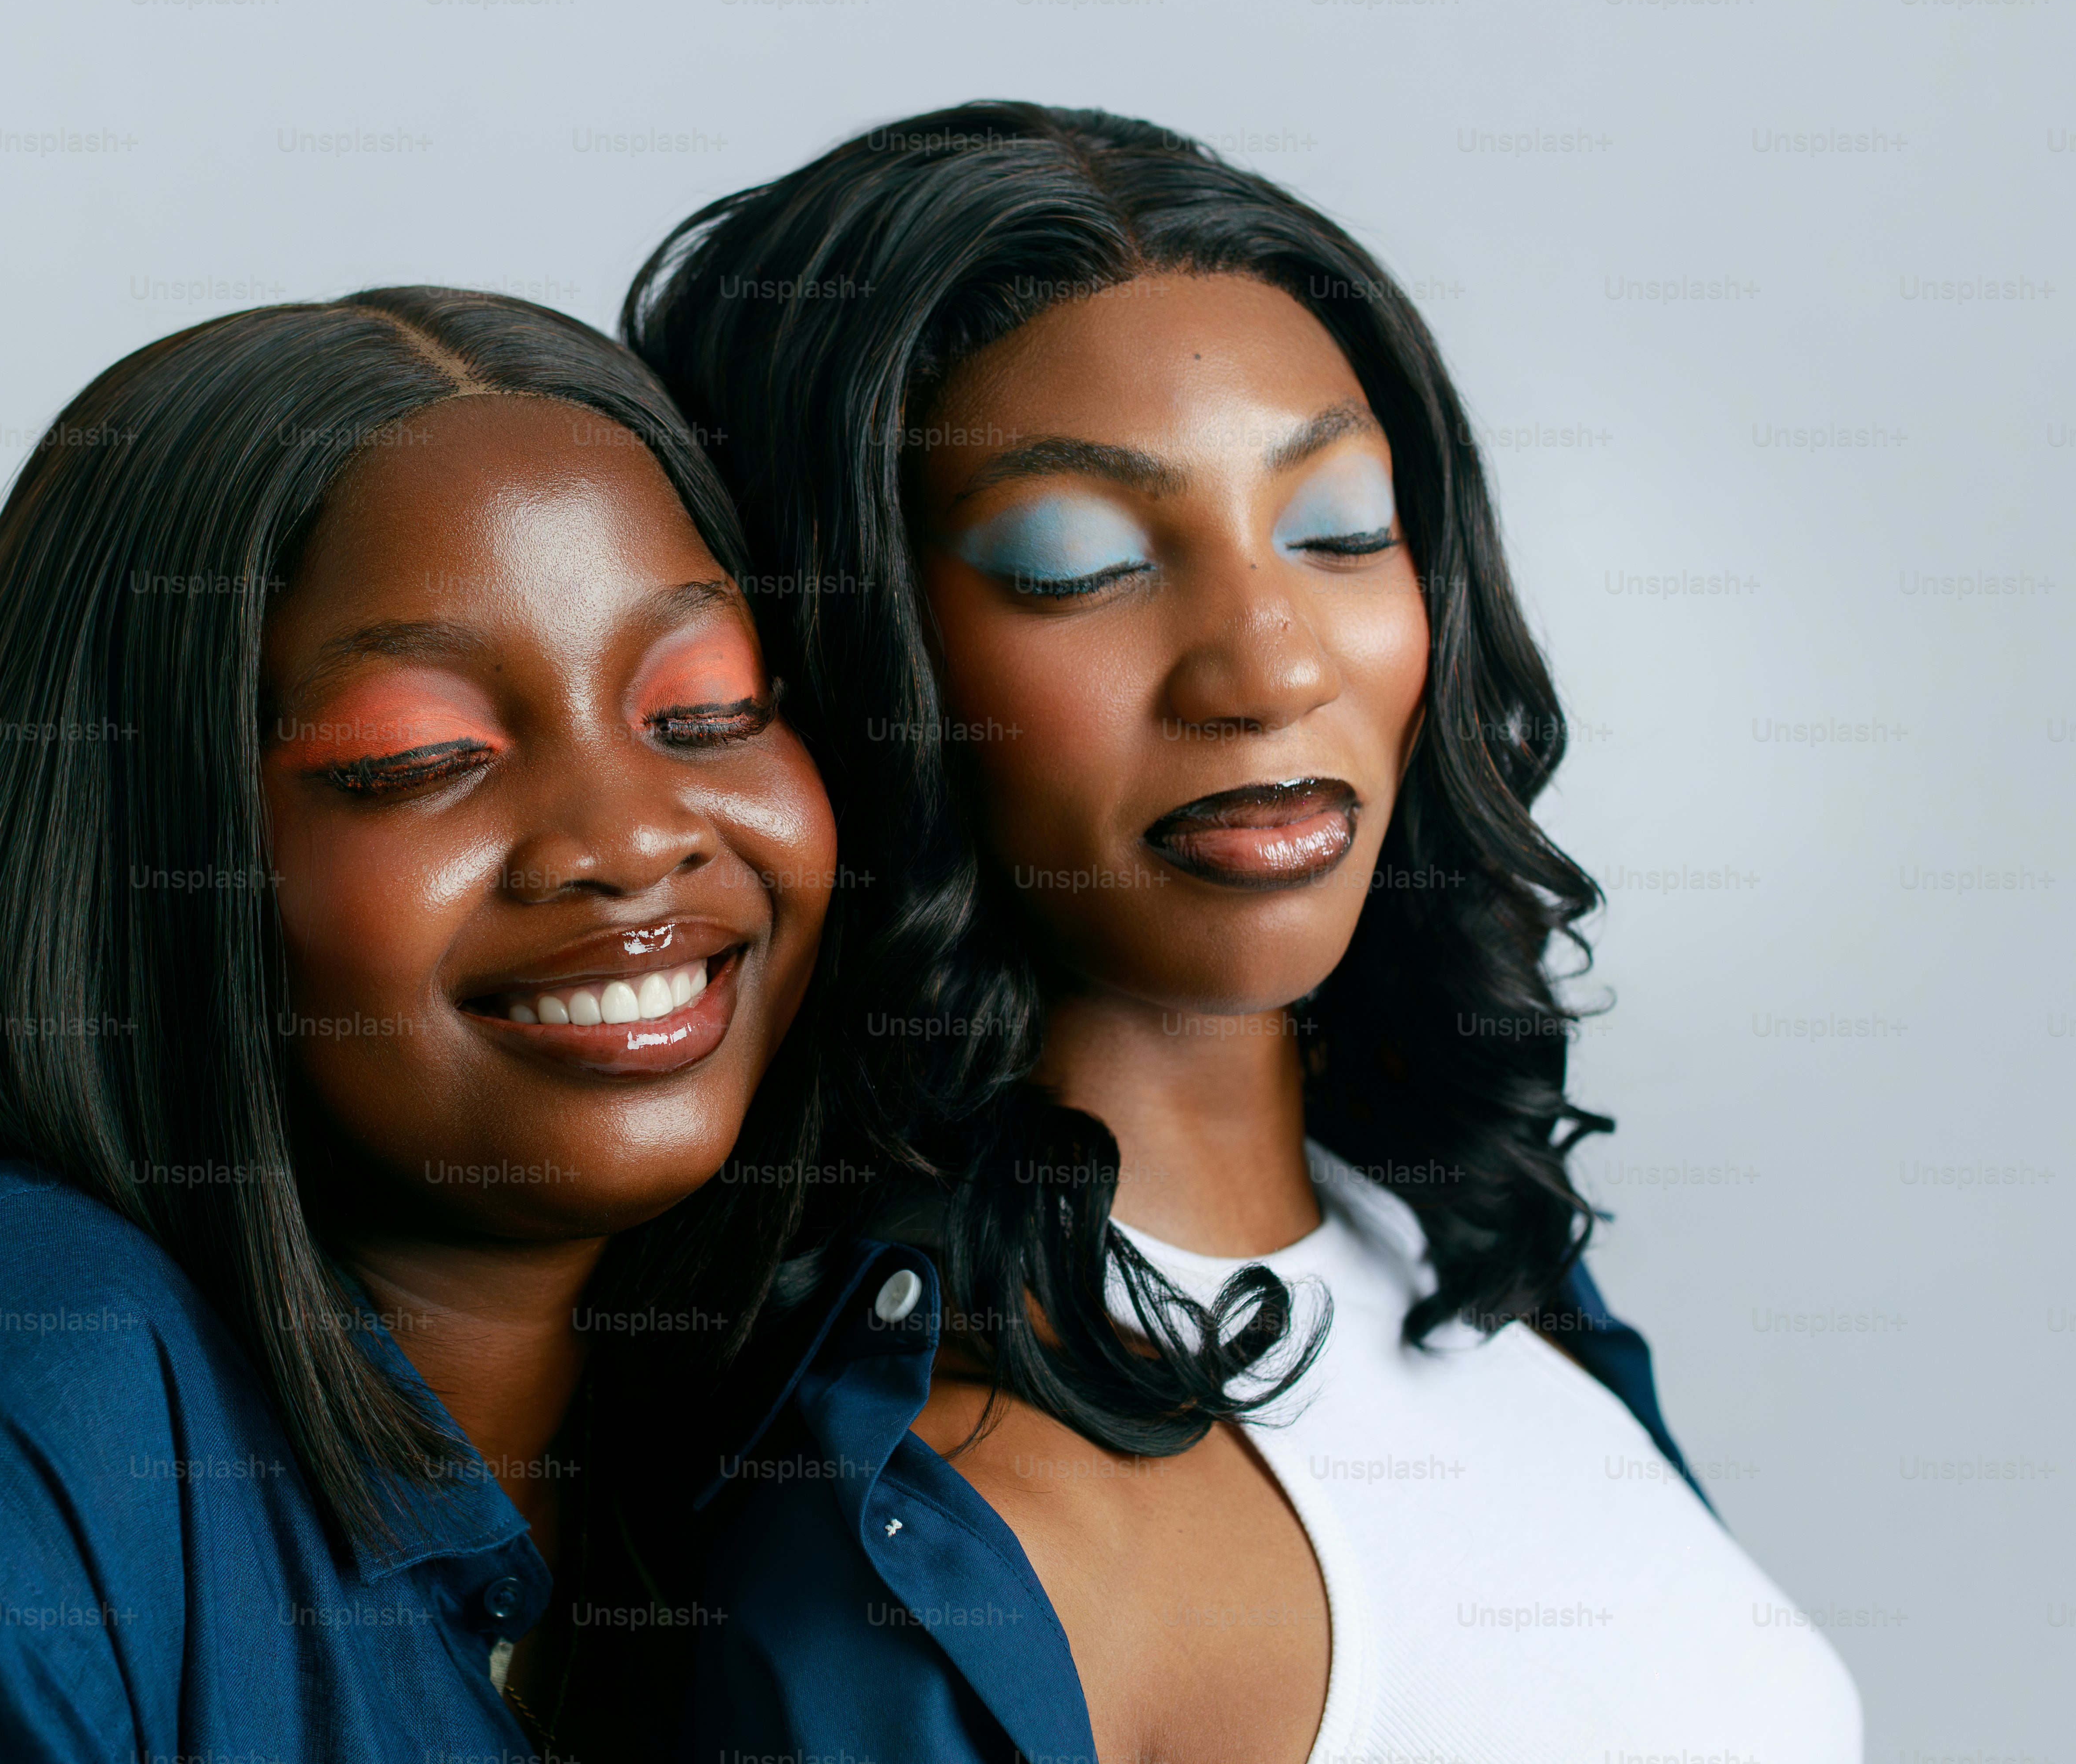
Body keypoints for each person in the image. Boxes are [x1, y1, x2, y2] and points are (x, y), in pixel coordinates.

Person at [626, 103, 1863, 1762]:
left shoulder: (1468, 1267)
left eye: (1343, 530)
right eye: (1079, 564)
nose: (1269, 663)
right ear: (843, 652)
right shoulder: (932, 1544)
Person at [0, 290, 836, 1764]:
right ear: (135, 844)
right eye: (419, 757)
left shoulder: (810, 1446)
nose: (628, 837)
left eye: (707, 710)